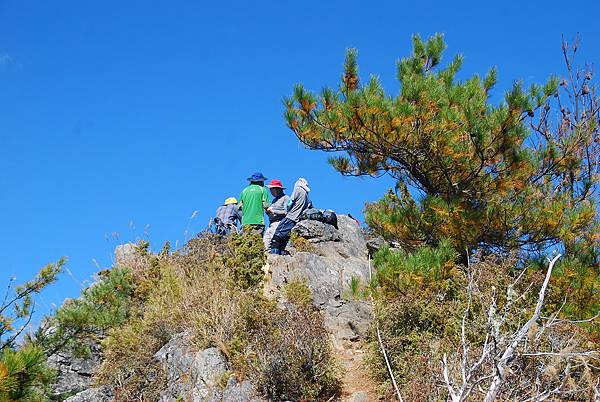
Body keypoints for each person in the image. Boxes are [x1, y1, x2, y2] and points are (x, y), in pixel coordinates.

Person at [270, 178, 312, 254]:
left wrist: (287, 209)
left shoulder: (298, 189)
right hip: (297, 220)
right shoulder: (307, 196)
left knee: (276, 239)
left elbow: (290, 202)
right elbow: (310, 207)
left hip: (290, 217)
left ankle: (274, 258)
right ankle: (282, 256)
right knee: (284, 240)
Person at [263, 179, 290, 252]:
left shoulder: (286, 198)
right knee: (265, 244)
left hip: (279, 224)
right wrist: (267, 211)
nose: (270, 192)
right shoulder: (274, 200)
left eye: (271, 189)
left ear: (277, 189)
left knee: (274, 244)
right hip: (271, 224)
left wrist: (274, 211)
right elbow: (270, 214)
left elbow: (286, 212)